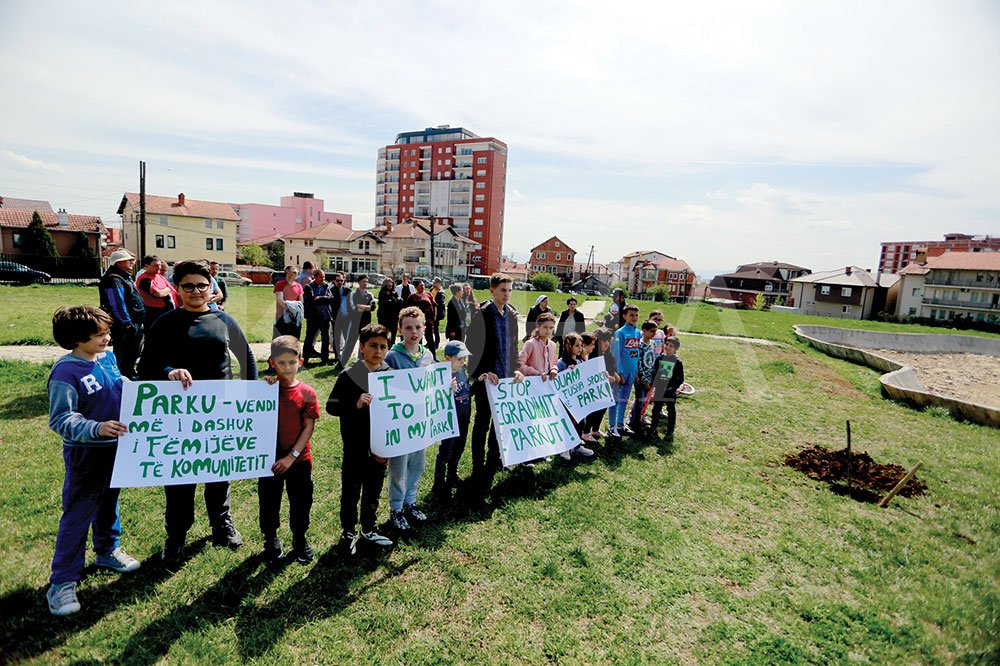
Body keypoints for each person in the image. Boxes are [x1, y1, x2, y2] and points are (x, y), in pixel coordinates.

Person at [139, 259, 257, 562]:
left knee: (219, 472)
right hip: (179, 413)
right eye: (188, 285)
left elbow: (247, 358)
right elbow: (148, 364)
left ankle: (222, 524)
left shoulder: (224, 320)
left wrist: (251, 398)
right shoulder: (165, 323)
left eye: (201, 285)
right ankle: (176, 535)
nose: (195, 291)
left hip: (220, 410)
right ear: (177, 289)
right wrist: (169, 371)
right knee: (180, 478)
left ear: (211, 288)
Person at [46, 306, 140, 616]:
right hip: (86, 454)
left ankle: (107, 550)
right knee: (78, 514)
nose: (107, 338)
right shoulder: (65, 372)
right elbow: (61, 418)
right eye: (99, 334)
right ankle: (62, 582)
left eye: (107, 332)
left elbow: (118, 384)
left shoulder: (108, 358)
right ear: (77, 337)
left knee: (109, 502)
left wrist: (139, 390)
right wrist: (95, 428)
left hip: (117, 449)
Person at [326, 323, 395, 556]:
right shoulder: (349, 375)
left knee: (373, 488)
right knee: (351, 489)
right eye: (373, 346)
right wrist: (354, 405)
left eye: (383, 347)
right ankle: (347, 531)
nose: (378, 351)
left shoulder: (389, 373)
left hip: (379, 446)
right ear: (362, 347)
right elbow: (331, 407)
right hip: (355, 445)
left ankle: (368, 528)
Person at [258, 336, 319, 563]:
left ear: (300, 361)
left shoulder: (307, 393)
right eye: (281, 363)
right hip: (269, 458)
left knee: (301, 502)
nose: (287, 367)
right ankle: (271, 538)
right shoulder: (265, 389)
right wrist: (262, 389)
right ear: (272, 362)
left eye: (291, 362)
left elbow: (308, 428)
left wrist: (291, 457)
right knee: (269, 501)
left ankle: (300, 538)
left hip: (299, 460)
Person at [465, 273, 523, 500]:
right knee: (483, 423)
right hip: (487, 380)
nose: (507, 294)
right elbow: (472, 347)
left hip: (506, 381)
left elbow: (513, 347)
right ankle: (478, 465)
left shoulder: (511, 315)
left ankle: (494, 459)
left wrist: (517, 368)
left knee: (502, 424)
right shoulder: (482, 314)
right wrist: (481, 373)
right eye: (503, 290)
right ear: (492, 290)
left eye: (509, 290)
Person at [384, 306, 435, 531]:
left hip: (420, 422)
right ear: (400, 330)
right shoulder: (393, 356)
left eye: (417, 327)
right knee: (398, 468)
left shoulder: (428, 355)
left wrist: (445, 386)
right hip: (400, 423)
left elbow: (433, 383)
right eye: (408, 328)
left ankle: (410, 502)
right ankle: (396, 508)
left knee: (417, 465)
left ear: (424, 329)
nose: (413, 331)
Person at [432, 340, 472, 500]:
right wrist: (446, 390)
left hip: (463, 417)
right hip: (449, 420)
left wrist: (480, 382)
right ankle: (439, 481)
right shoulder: (442, 375)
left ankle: (452, 472)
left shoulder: (462, 372)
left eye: (464, 359)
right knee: (446, 450)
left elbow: (467, 392)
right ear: (448, 358)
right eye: (460, 359)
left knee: (459, 446)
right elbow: (436, 398)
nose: (463, 362)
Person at [98, 248, 144, 379]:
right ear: (118, 263)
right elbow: (117, 303)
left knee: (133, 350)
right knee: (124, 351)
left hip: (133, 321)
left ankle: (128, 373)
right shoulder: (114, 279)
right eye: (127, 260)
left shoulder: (123, 276)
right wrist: (126, 323)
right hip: (125, 324)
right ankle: (120, 377)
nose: (132, 262)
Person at [554, 333, 597, 455]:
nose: (580, 348)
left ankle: (576, 446)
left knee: (580, 422)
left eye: (581, 345)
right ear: (569, 346)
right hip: (566, 402)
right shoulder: (561, 363)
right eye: (577, 345)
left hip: (577, 401)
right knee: (568, 424)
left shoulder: (579, 360)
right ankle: (564, 448)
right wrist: (567, 372)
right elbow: (557, 380)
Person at [610, 305, 641, 438]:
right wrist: (619, 372)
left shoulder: (638, 332)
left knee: (624, 399)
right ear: (624, 316)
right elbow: (616, 353)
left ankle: (620, 424)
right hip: (621, 373)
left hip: (632, 371)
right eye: (631, 315)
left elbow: (637, 353)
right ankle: (612, 426)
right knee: (616, 399)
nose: (634, 317)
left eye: (636, 315)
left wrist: (637, 371)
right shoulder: (620, 333)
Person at [584, 327, 617, 439]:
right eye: (604, 341)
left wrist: (614, 374)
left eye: (608, 340)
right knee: (593, 410)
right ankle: (586, 431)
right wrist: (607, 377)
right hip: (595, 388)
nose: (606, 343)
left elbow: (611, 367)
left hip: (606, 387)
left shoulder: (607, 354)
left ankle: (596, 429)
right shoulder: (593, 355)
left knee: (602, 408)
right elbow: (594, 371)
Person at [628, 321, 660, 433]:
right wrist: (644, 380)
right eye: (652, 331)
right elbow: (638, 363)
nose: (654, 334)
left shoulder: (653, 344)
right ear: (644, 331)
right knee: (639, 400)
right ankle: (633, 422)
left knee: (645, 400)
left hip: (650, 377)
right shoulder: (639, 345)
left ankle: (638, 418)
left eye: (655, 331)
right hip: (641, 379)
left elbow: (653, 361)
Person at [650, 337, 685, 438]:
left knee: (671, 409)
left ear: (676, 349)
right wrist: (654, 385)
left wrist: (672, 388)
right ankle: (653, 427)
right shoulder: (659, 358)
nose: (668, 347)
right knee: (656, 409)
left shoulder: (677, 362)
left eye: (671, 346)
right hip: (660, 389)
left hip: (670, 390)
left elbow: (680, 379)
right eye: (666, 344)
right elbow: (654, 373)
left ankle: (670, 429)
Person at [341, 274, 376, 365]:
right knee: (350, 344)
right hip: (355, 322)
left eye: (366, 281)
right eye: (363, 281)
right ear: (359, 282)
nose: (365, 283)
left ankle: (360, 363)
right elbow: (353, 308)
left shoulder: (370, 295)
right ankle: (341, 363)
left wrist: (360, 306)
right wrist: (366, 308)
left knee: (363, 344)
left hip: (366, 323)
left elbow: (372, 308)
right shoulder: (353, 294)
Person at [302, 269, 335, 365]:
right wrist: (322, 299)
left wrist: (320, 298)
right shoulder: (309, 287)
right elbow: (311, 301)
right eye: (321, 277)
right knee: (309, 338)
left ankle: (324, 359)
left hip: (325, 316)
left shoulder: (325, 286)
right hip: (314, 317)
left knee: (326, 338)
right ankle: (305, 359)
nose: (323, 279)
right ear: (315, 277)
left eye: (324, 277)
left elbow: (331, 298)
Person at [136, 255, 174, 330]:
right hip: (154, 312)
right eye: (156, 265)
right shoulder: (145, 279)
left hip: (165, 310)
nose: (159, 267)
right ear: (147, 266)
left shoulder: (158, 276)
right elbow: (158, 294)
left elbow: (172, 289)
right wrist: (167, 289)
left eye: (159, 265)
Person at [407, 279, 438, 358]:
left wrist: (434, 317)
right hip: (417, 322)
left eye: (423, 285)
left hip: (428, 321)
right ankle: (419, 357)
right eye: (421, 285)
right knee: (418, 340)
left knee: (430, 339)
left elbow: (434, 305)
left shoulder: (428, 294)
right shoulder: (412, 297)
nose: (423, 287)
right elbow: (408, 309)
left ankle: (433, 356)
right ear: (416, 287)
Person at [273, 266, 304, 339]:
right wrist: (289, 310)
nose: (297, 274)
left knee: (294, 340)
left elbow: (301, 301)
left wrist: (295, 312)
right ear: (287, 273)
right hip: (282, 317)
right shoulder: (280, 284)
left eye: (297, 272)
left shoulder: (299, 286)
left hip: (295, 317)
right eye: (294, 272)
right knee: (280, 341)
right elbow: (280, 300)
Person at [330, 272, 352, 368]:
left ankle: (345, 356)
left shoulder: (348, 291)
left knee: (347, 338)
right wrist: (332, 317)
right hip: (336, 319)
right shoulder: (330, 291)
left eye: (341, 280)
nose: (340, 282)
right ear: (334, 281)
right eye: (337, 280)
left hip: (346, 318)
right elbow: (329, 306)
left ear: (344, 281)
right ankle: (337, 356)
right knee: (336, 338)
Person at [377, 277, 402, 344]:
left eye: (391, 284)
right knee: (384, 335)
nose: (390, 286)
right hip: (384, 318)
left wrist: (397, 301)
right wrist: (394, 302)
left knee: (393, 335)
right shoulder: (382, 293)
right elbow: (385, 304)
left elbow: (398, 304)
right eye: (388, 284)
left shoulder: (394, 293)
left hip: (393, 318)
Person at [430, 277, 446, 353]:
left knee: (436, 329)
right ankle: (430, 342)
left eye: (434, 283)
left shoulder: (441, 293)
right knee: (430, 329)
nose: (433, 284)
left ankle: (437, 343)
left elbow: (441, 305)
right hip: (431, 313)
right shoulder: (432, 290)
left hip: (437, 314)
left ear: (438, 284)